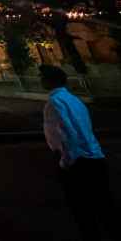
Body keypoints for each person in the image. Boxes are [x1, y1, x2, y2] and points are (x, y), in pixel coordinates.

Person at [40, 64, 116, 240]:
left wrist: (65, 160)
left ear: (51, 81)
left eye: (43, 78)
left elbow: (62, 134)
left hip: (76, 161)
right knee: (104, 205)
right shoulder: (75, 100)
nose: (41, 80)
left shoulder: (53, 103)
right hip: (95, 156)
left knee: (82, 210)